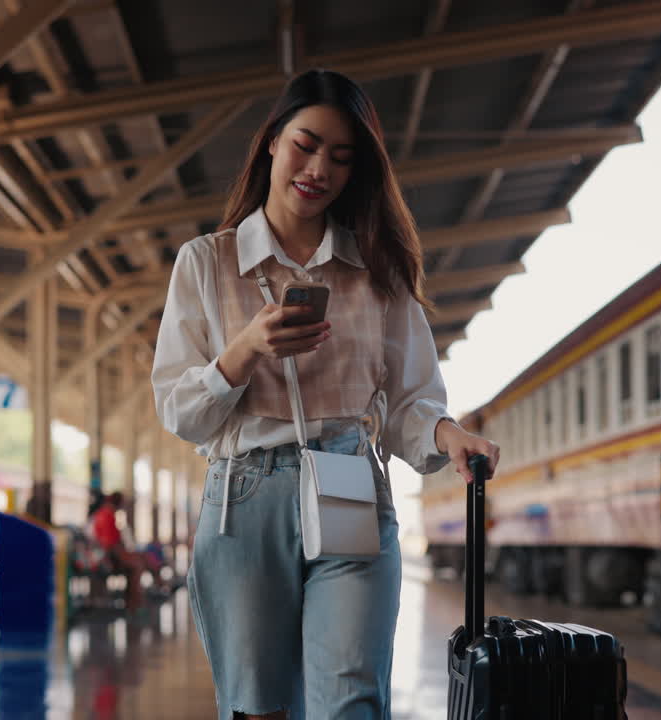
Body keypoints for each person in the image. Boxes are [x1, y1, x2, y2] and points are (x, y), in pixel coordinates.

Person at [151, 68, 500, 720]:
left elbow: (408, 401)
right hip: (243, 498)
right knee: (258, 710)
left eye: (342, 158)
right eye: (304, 145)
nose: (319, 169)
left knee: (349, 707)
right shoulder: (206, 262)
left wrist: (448, 435)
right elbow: (180, 412)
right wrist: (245, 349)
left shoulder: (378, 272)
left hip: (349, 488)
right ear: (271, 144)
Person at [88, 492, 145, 611]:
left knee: (139, 560)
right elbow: (110, 546)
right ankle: (133, 603)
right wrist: (127, 557)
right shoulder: (107, 516)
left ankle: (133, 600)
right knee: (137, 565)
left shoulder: (104, 514)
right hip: (104, 559)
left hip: (106, 556)